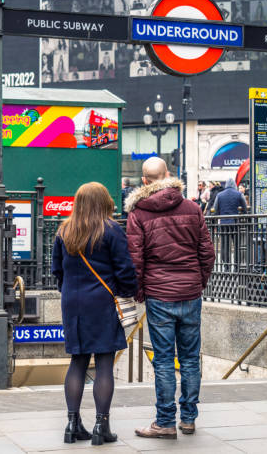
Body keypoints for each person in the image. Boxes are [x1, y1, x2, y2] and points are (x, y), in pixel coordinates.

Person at [126, 157, 215, 439]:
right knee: (190, 359)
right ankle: (188, 418)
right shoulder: (192, 208)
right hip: (190, 293)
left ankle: (165, 421)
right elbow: (207, 252)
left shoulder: (138, 213)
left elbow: (135, 259)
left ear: (144, 181)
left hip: (159, 294)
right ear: (168, 175)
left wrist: (139, 290)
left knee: (164, 360)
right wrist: (199, 281)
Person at [52, 182, 138, 445]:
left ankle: (72, 423)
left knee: (77, 361)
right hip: (102, 302)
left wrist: (69, 292)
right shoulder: (111, 230)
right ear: (104, 202)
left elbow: (57, 270)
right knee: (103, 362)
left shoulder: (64, 230)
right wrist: (125, 291)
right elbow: (125, 269)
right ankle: (102, 425)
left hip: (73, 303)